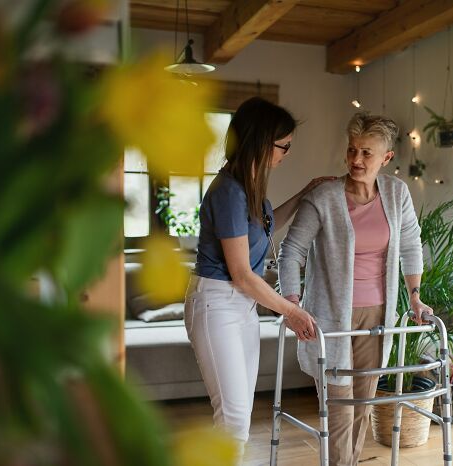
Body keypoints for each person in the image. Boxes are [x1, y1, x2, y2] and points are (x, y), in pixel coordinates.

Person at [278, 112, 434, 466]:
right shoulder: (325, 196)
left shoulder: (396, 193)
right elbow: (292, 250)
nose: (356, 160)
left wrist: (414, 297)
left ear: (386, 158)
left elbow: (410, 245)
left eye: (366, 153)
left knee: (361, 407)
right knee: (337, 409)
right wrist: (290, 303)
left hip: (378, 315)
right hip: (330, 319)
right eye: (351, 150)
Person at [183, 97, 332, 456]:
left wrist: (305, 194)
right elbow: (241, 274)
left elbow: (266, 230)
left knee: (239, 419)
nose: (286, 154)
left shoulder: (249, 189)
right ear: (264, 142)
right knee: (233, 421)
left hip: (241, 307)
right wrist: (291, 312)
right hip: (218, 303)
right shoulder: (229, 192)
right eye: (285, 146)